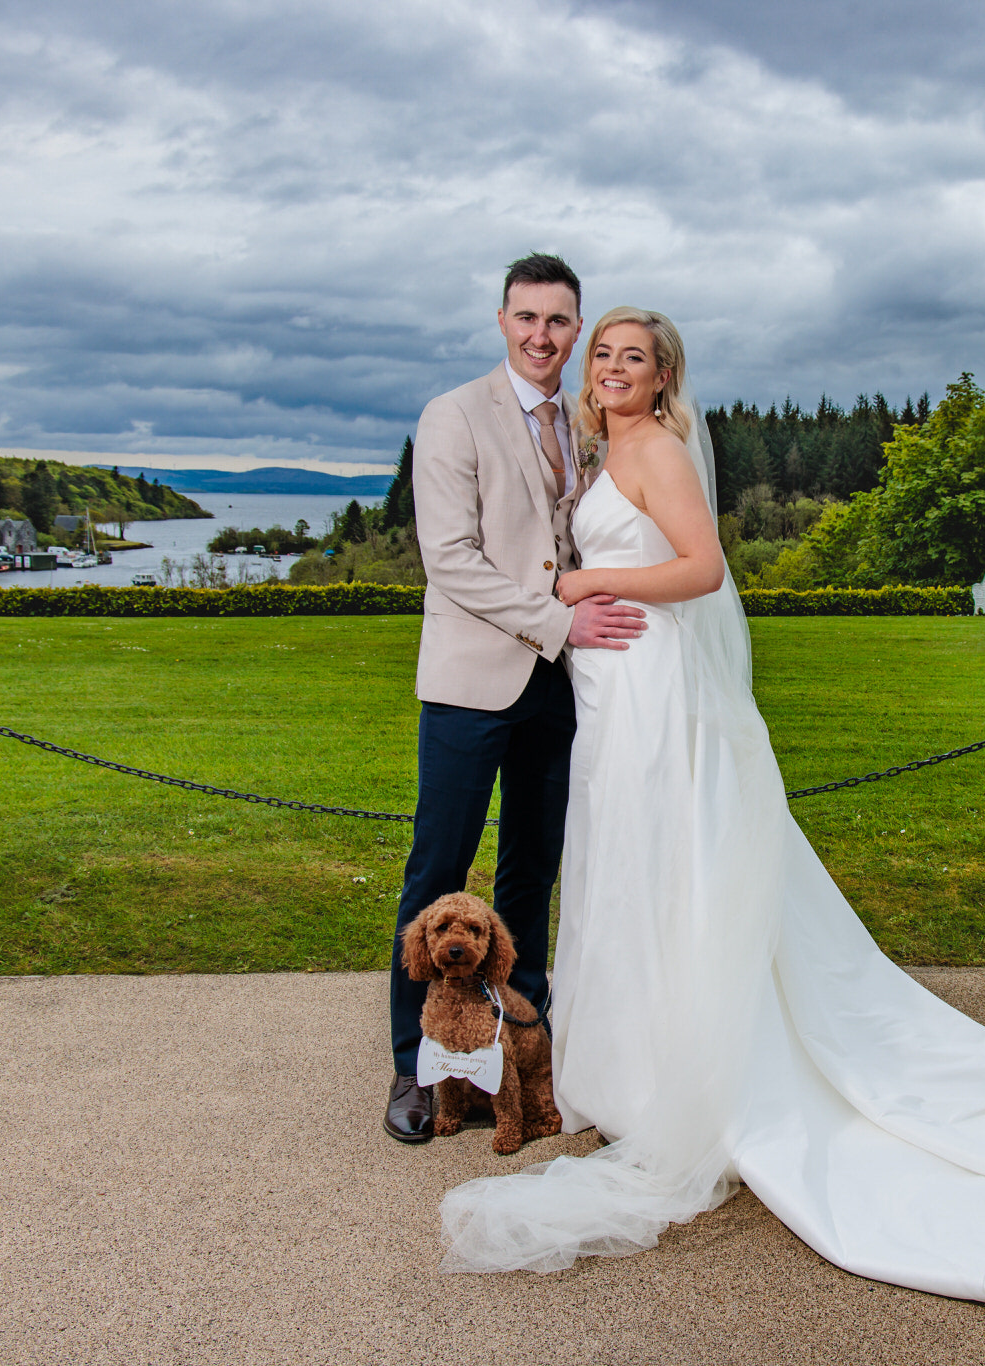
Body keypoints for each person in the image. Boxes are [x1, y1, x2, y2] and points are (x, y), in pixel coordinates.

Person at [434, 308, 985, 1325]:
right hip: (611, 692)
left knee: (665, 873)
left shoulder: (656, 450)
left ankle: (678, 1087)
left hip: (650, 694)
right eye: (600, 353)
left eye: (628, 357)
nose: (608, 368)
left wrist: (587, 577)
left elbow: (702, 570)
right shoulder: (615, 450)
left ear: (661, 375)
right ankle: (634, 1076)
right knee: (625, 876)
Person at [383, 255, 646, 1143]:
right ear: (502, 320)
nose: (543, 336)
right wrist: (560, 623)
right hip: (470, 685)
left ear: (576, 331)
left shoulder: (583, 423)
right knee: (438, 874)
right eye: (527, 318)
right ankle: (415, 1070)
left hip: (559, 691)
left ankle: (516, 1055)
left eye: (559, 322)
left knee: (533, 874)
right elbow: (450, 560)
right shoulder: (452, 416)